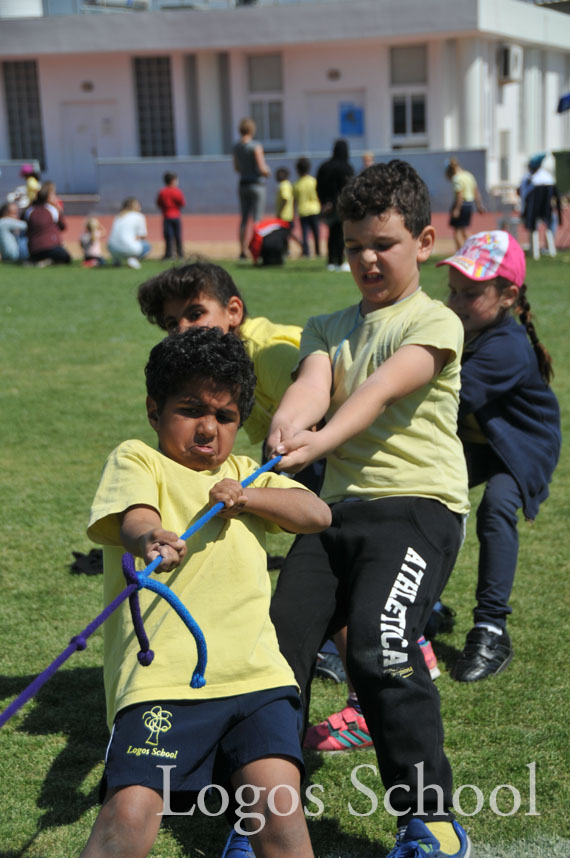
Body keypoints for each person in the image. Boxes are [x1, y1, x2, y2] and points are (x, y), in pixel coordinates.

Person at [266, 160, 472, 858]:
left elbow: (381, 389)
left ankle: (431, 820)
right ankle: (267, 819)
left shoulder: (435, 319)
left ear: (425, 239)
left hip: (417, 508)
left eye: (382, 243)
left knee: (383, 649)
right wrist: (289, 426)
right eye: (353, 245)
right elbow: (313, 384)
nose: (366, 259)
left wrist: (321, 438)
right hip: (333, 515)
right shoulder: (327, 324)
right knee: (273, 654)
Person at [81, 326, 331, 858]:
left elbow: (317, 513)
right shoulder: (139, 459)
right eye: (191, 409)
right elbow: (134, 516)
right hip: (164, 681)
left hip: (257, 675)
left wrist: (250, 498)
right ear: (155, 410)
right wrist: (151, 536)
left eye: (224, 416)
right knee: (130, 812)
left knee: (280, 813)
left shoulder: (246, 474)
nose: (208, 428)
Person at [439, 230, 561, 682]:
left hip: (522, 445)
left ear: (508, 295)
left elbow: (447, 399)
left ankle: (492, 629)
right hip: (479, 438)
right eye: (452, 290)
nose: (456, 301)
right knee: (425, 491)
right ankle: (424, 605)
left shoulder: (505, 347)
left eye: (470, 293)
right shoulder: (462, 323)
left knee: (495, 507)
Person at [136, 260, 302, 447]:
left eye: (195, 314)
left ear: (233, 311)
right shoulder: (224, 363)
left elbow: (315, 419)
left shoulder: (267, 352)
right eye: (172, 324)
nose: (182, 329)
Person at [233, 118, 270, 259]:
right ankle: (256, 248)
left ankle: (242, 250)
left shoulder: (237, 147)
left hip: (243, 184)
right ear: (252, 130)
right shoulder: (255, 146)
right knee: (257, 219)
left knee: (243, 219)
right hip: (257, 184)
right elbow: (261, 167)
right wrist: (268, 171)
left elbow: (236, 167)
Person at [316, 139, 354, 271]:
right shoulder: (346, 167)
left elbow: (319, 186)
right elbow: (350, 187)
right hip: (342, 205)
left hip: (328, 206)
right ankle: (339, 260)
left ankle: (331, 260)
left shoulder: (324, 167)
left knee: (331, 233)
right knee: (340, 234)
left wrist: (323, 202)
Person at [25, 185, 71, 266]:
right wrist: (59, 211)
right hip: (51, 247)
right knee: (66, 257)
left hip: (33, 249)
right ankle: (49, 261)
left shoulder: (30, 210)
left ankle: (36, 260)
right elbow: (63, 226)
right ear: (47, 197)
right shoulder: (52, 209)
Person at [445, 157, 485, 250]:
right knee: (464, 230)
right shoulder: (469, 175)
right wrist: (479, 205)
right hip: (469, 205)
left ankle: (459, 255)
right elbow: (476, 192)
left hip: (461, 205)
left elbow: (460, 196)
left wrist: (457, 209)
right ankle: (478, 247)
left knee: (457, 232)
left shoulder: (456, 178)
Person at [107, 197, 150, 269]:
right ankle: (132, 258)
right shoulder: (139, 216)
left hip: (111, 248)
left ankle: (117, 259)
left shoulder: (118, 216)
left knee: (121, 243)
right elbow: (143, 235)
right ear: (134, 206)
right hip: (130, 249)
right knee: (147, 246)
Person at [293, 157, 321, 258]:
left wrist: (293, 212)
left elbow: (294, 200)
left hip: (303, 210)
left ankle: (306, 251)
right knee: (316, 232)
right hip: (314, 209)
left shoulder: (296, 184)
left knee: (304, 233)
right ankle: (318, 251)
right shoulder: (313, 181)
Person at [156, 171, 186, 260]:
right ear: (173, 181)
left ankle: (168, 254)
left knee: (168, 236)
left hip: (166, 216)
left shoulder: (162, 192)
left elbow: (159, 203)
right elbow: (182, 203)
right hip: (176, 216)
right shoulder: (177, 191)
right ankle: (180, 254)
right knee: (178, 236)